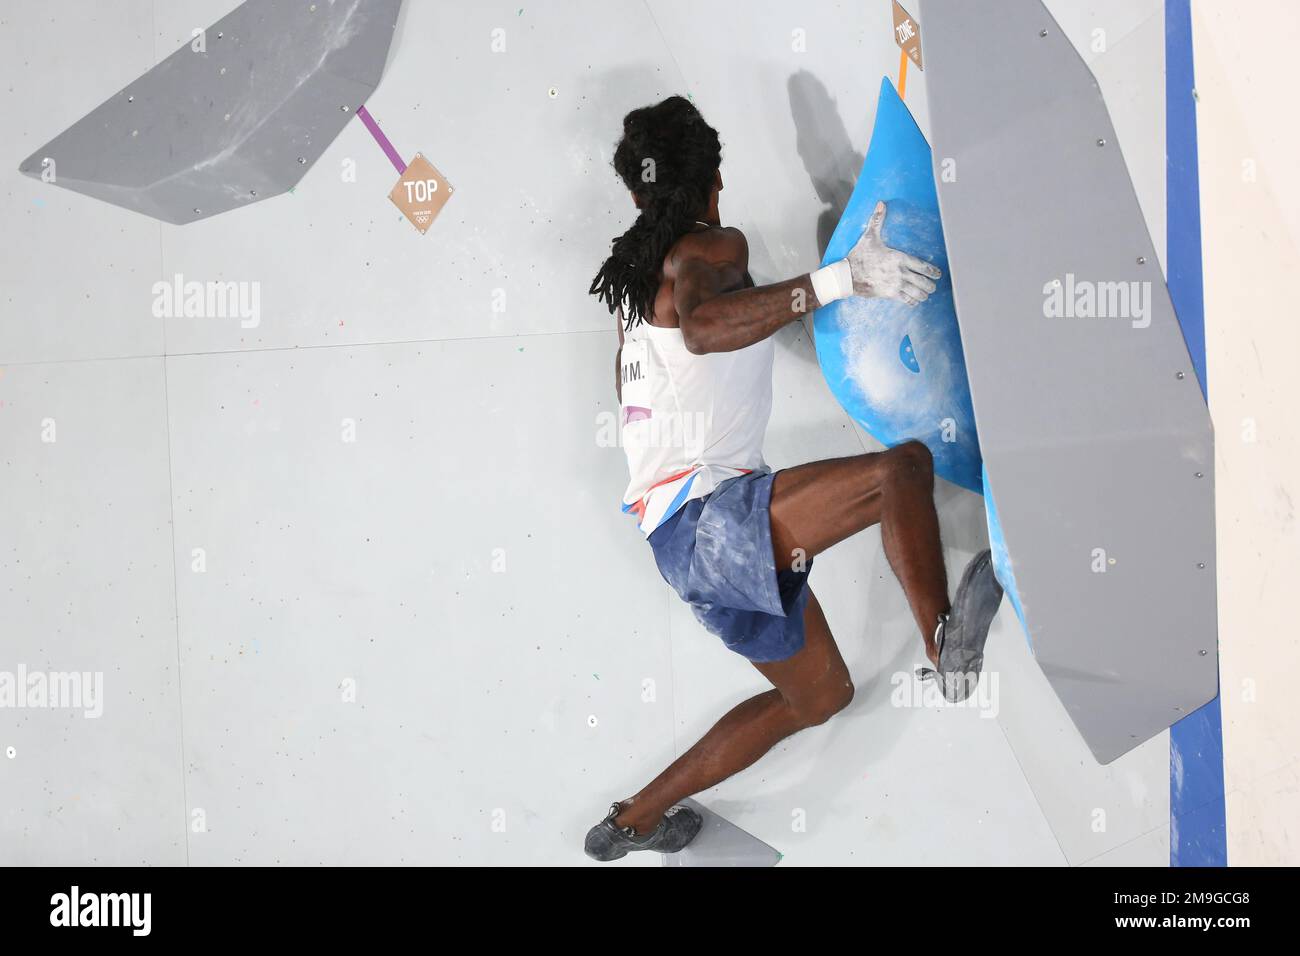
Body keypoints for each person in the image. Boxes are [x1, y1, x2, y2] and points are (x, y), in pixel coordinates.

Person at [584, 96, 1003, 861]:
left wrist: (808, 298)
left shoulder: (637, 290)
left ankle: (633, 819)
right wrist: (842, 279)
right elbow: (711, 329)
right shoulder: (707, 247)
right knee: (900, 471)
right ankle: (945, 647)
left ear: (641, 194)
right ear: (713, 180)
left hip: (681, 552)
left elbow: (711, 335)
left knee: (820, 696)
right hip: (707, 524)